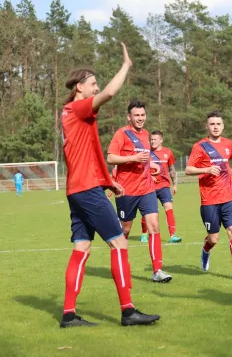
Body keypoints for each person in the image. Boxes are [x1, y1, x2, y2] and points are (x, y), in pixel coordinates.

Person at [60, 43, 160, 328]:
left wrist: (108, 180)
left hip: (77, 189)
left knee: (82, 247)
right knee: (119, 243)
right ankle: (128, 311)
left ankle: (68, 315)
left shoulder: (69, 112)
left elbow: (86, 154)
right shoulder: (78, 108)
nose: (96, 88)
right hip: (87, 189)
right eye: (92, 84)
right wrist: (126, 66)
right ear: (80, 87)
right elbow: (111, 93)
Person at [107, 100, 172, 283]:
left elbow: (143, 159)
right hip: (126, 191)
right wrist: (133, 157)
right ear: (129, 116)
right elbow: (111, 158)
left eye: (143, 115)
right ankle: (120, 264)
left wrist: (153, 166)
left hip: (147, 189)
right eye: (136, 115)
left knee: (154, 225)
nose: (140, 118)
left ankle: (157, 270)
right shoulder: (122, 133)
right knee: (125, 229)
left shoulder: (145, 135)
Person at [184, 110, 232, 281]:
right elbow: (188, 169)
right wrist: (206, 169)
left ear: (223, 125)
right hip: (209, 200)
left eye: (218, 124)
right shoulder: (200, 146)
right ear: (207, 126)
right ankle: (205, 250)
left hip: (229, 197)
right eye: (212, 124)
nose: (216, 127)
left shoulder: (228, 143)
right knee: (214, 238)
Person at [139, 130, 182, 244]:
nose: (152, 141)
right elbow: (141, 168)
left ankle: (173, 235)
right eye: (151, 139)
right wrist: (147, 176)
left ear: (161, 140)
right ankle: (144, 234)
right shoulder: (146, 152)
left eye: (155, 139)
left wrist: (175, 184)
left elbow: (172, 170)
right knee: (148, 211)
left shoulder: (168, 152)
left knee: (169, 207)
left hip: (164, 186)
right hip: (149, 186)